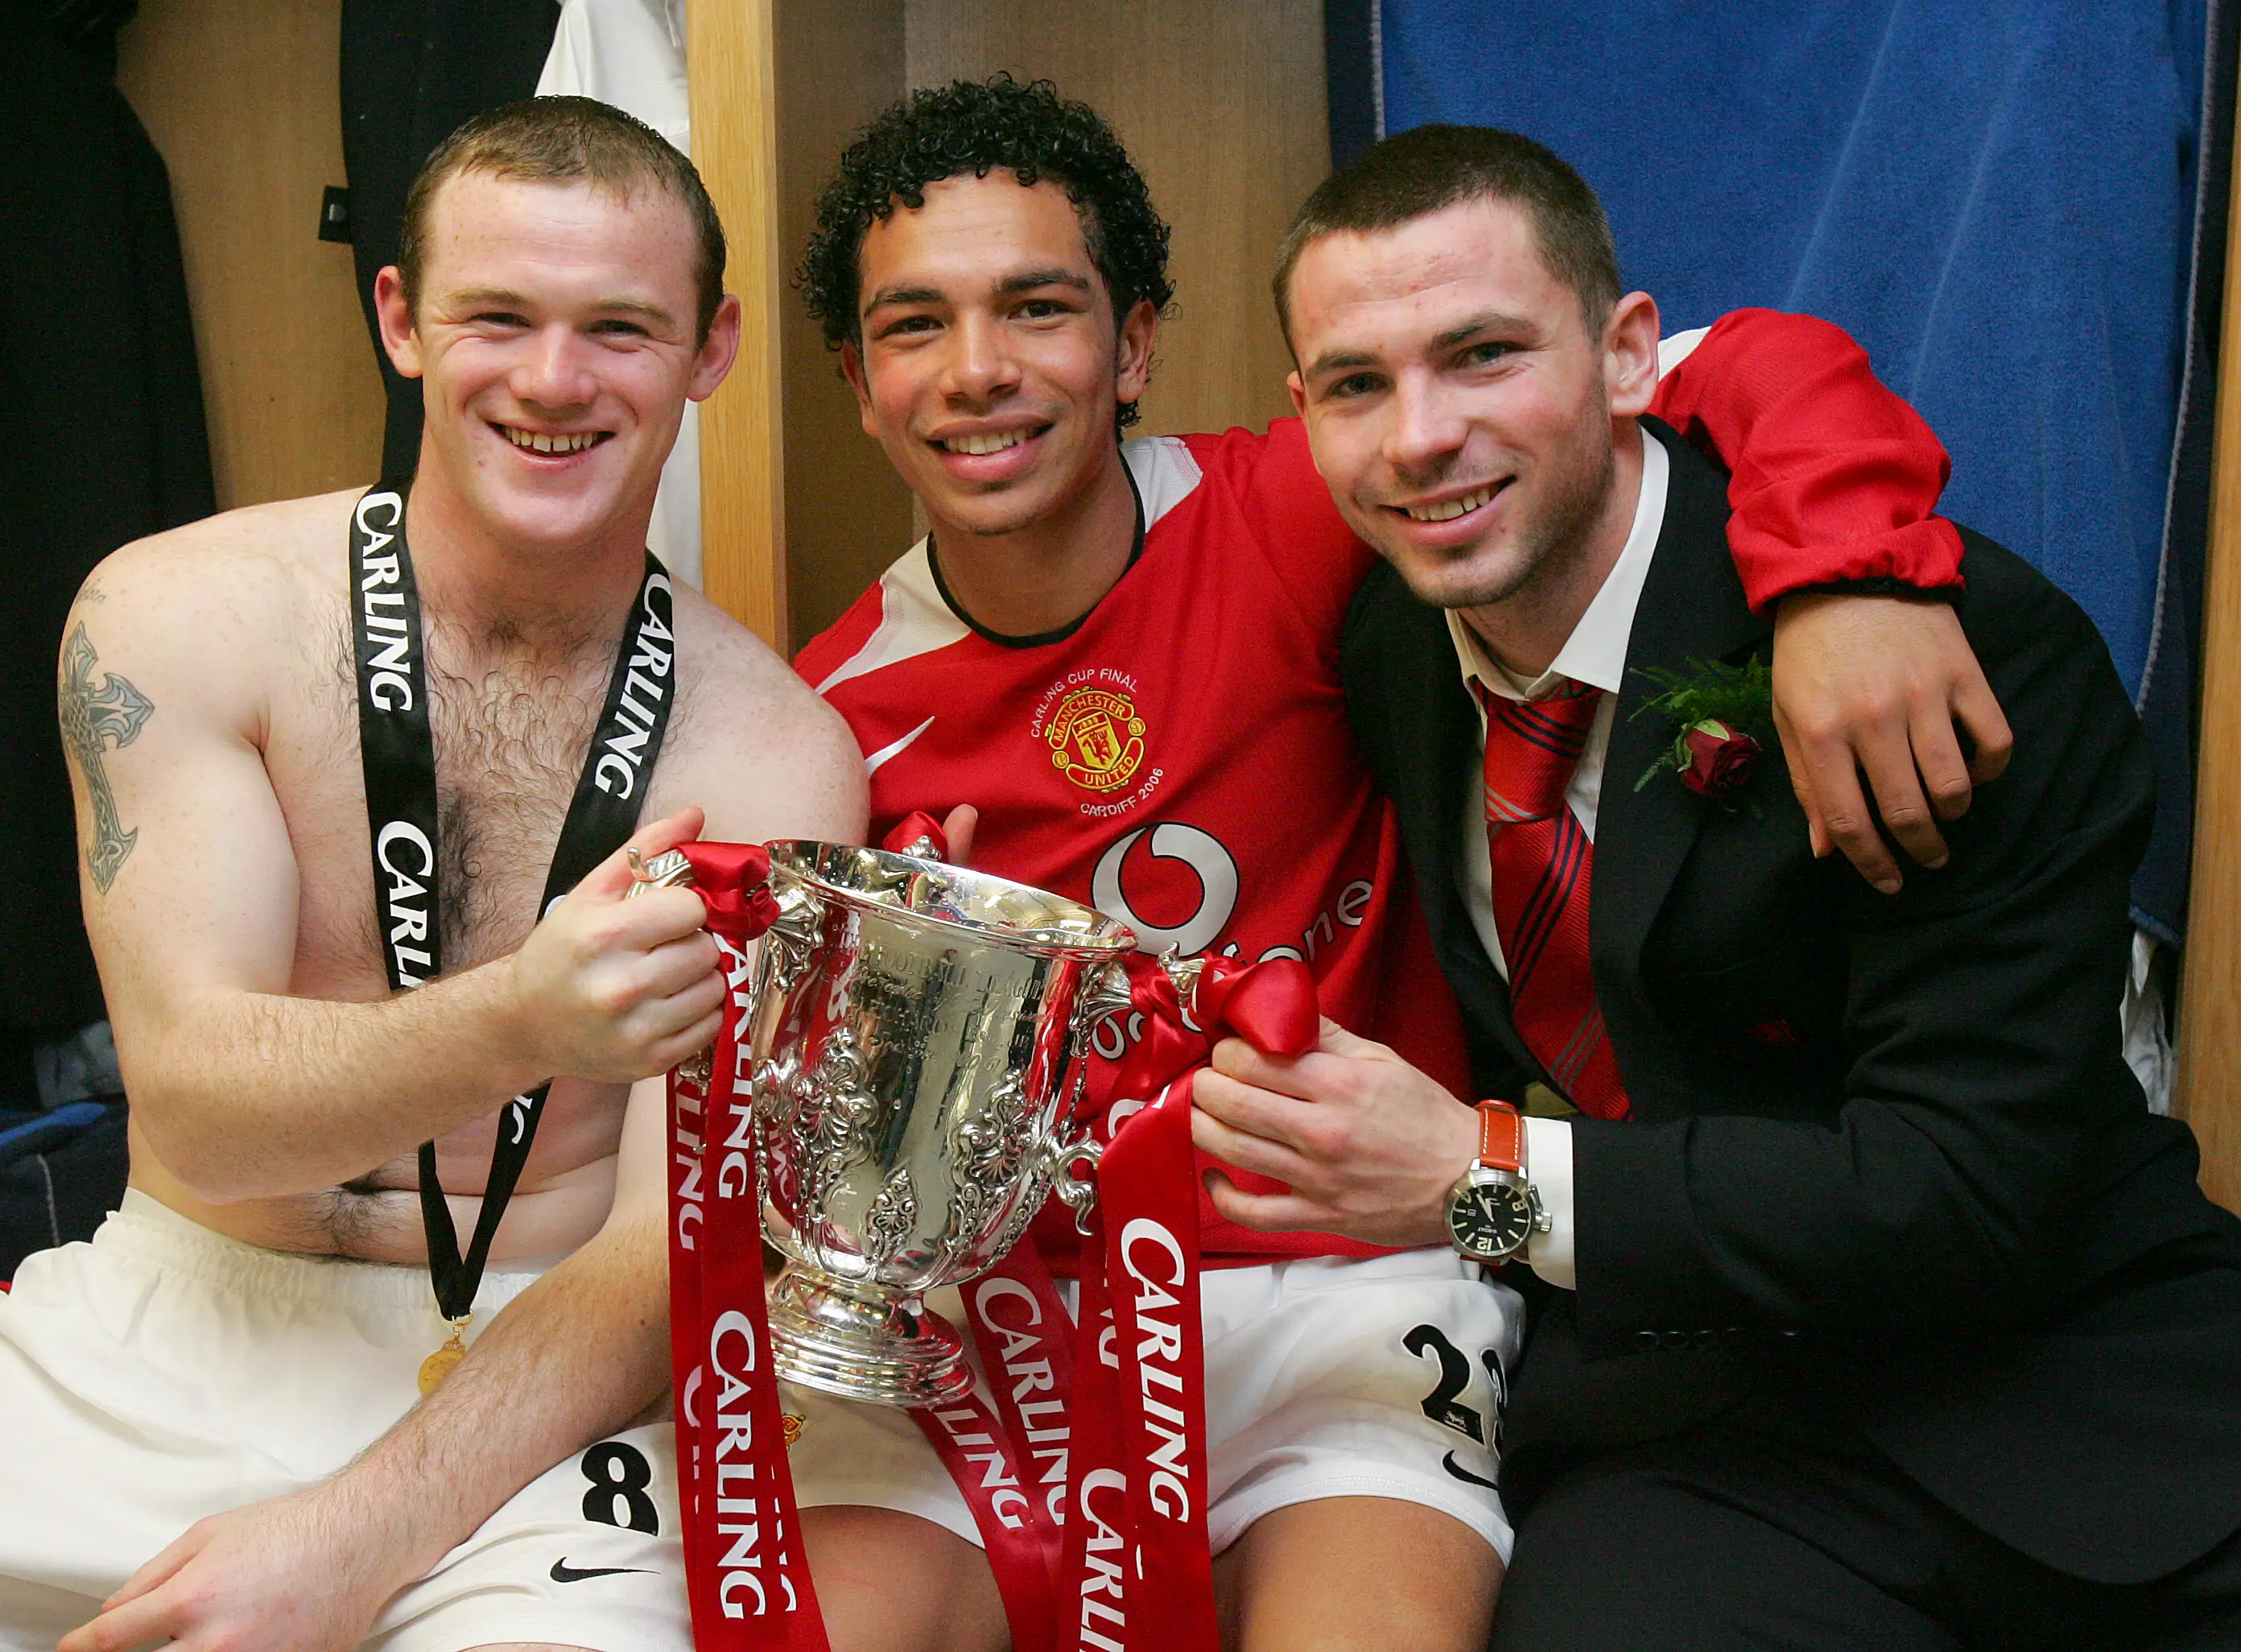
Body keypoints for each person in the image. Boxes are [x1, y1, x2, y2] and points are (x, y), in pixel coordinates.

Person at [789, 78, 2010, 1652]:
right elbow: (865, 1189)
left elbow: (1749, 363)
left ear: (1135, 343)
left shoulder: (1309, 498)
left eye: (1037, 306)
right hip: (1029, 1311)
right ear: (855, 380)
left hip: (1361, 1275)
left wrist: (1851, 573)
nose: (979, 372)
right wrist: (917, 1047)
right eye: (914, 327)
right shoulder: (839, 725)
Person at [1195, 121, 2241, 1649]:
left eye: (1483, 355)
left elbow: (1966, 1198)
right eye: (1359, 384)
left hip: (2070, 1398)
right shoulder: (1386, 654)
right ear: (1303, 414)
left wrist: (1473, 1170)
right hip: (1703, 1440)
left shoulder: (1938, 657)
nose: (1419, 434)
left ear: (1630, 357)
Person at [0, 97, 865, 1652]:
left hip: (537, 1380)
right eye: (496, 315)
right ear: (400, 319)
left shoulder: (777, 753)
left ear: (712, 349)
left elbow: (659, 1253)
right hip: (174, 1306)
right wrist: (527, 1020)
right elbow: (199, 1106)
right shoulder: (177, 613)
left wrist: (352, 1539)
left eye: (621, 329)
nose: (553, 381)